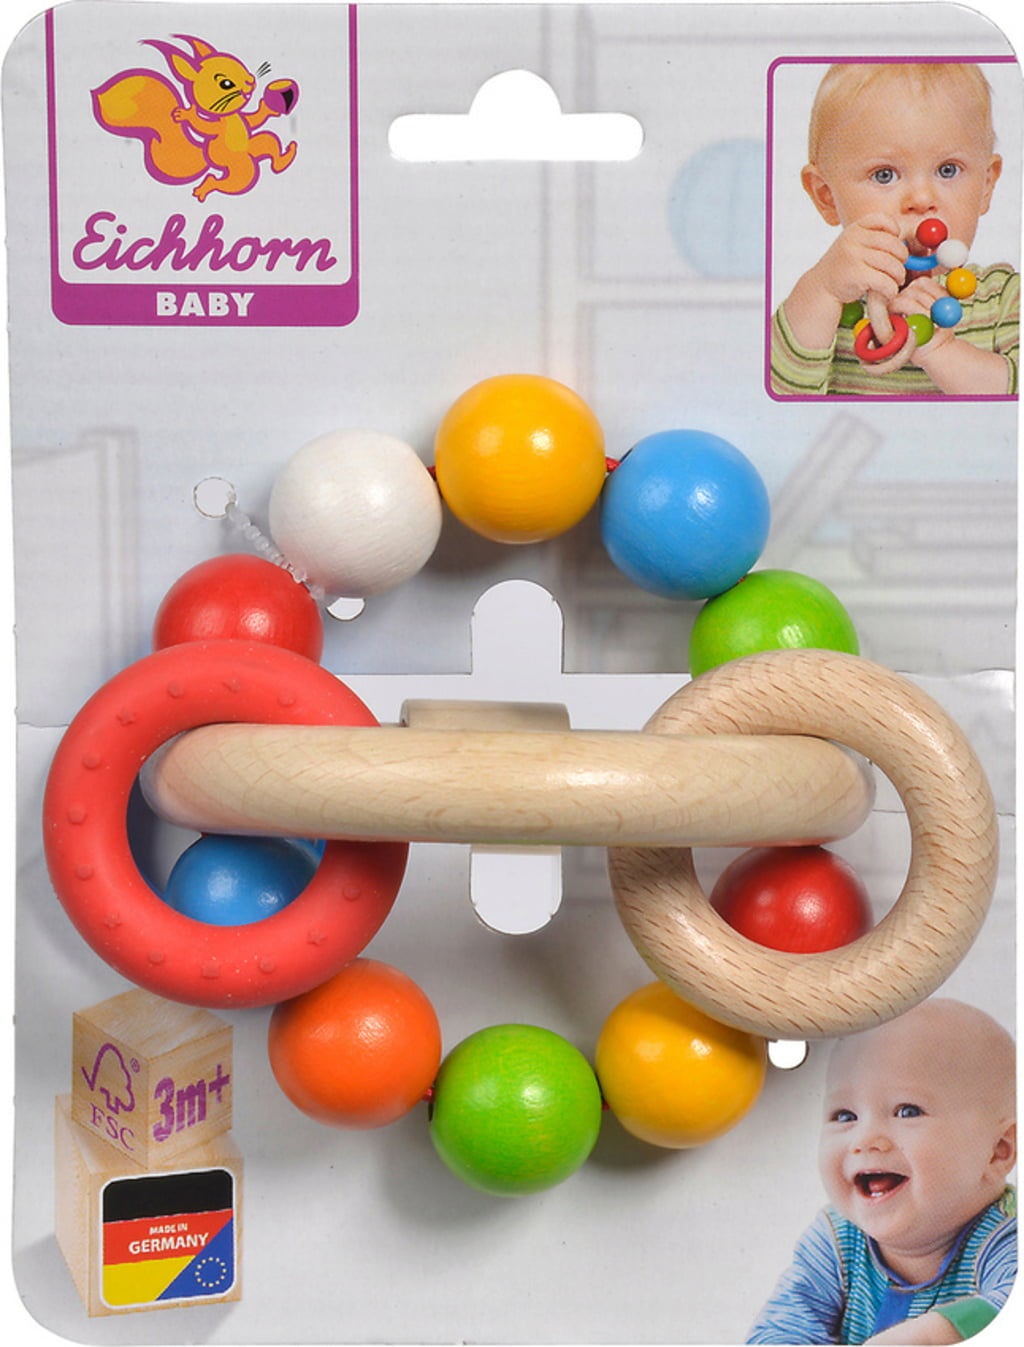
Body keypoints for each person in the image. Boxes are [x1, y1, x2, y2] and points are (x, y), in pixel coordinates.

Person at [747, 999, 1016, 1343]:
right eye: (845, 1116)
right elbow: (780, 1330)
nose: (865, 1140)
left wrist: (931, 1335)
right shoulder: (838, 1241)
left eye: (907, 1111)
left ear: (997, 1151)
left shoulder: (1007, 1239)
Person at [770, 63, 1018, 395]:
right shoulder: (829, 303)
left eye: (947, 170)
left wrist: (941, 350)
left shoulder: (1003, 298)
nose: (921, 199)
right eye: (884, 175)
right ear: (826, 196)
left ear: (986, 186)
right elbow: (777, 395)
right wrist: (822, 288)